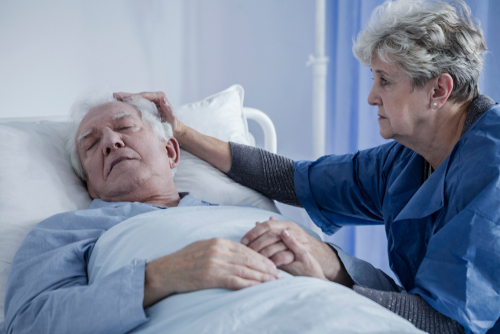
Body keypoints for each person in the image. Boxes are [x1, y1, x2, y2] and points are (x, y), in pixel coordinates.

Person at [115, 1, 500, 333]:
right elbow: (295, 180)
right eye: (373, 79)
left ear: (438, 90)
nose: (370, 97)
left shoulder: (492, 169)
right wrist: (183, 131)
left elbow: (447, 325)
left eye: (385, 81)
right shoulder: (408, 159)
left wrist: (329, 281)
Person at [1, 93, 282, 334]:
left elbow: (324, 268)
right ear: (90, 185)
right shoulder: (62, 232)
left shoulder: (242, 213)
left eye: (125, 126)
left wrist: (323, 262)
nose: (111, 142)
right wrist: (157, 276)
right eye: (91, 145)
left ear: (171, 151)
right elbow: (29, 323)